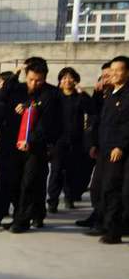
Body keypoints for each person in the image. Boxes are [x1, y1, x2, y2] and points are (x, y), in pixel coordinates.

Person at [0, 57, 60, 233]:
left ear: (45, 78)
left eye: (39, 80)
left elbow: (46, 123)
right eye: (31, 79)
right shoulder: (18, 89)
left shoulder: (50, 94)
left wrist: (31, 139)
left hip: (36, 147)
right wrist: (14, 75)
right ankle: (25, 215)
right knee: (15, 182)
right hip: (15, 145)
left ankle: (23, 221)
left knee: (30, 183)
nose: (34, 83)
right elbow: (3, 96)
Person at [47, 67, 93, 212]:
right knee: (56, 171)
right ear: (60, 80)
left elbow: (91, 109)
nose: (67, 80)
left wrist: (82, 92)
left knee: (72, 171)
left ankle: (69, 197)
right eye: (64, 78)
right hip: (58, 141)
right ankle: (52, 201)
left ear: (75, 80)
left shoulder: (80, 97)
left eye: (70, 77)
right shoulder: (55, 96)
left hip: (76, 140)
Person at [94, 56, 129, 244]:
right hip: (105, 150)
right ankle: (107, 224)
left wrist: (120, 145)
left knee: (113, 189)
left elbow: (126, 124)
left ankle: (114, 230)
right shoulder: (111, 93)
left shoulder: (127, 95)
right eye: (112, 70)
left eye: (119, 70)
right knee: (102, 188)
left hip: (119, 151)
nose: (114, 74)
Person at [78, 63, 114, 231]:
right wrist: (93, 144)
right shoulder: (104, 95)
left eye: (109, 75)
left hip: (117, 149)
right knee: (96, 186)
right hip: (102, 146)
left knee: (108, 187)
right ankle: (98, 215)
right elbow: (94, 117)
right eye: (104, 76)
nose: (105, 79)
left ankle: (105, 221)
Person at [0, 71, 19, 227]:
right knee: (5, 179)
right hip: (6, 144)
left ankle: (14, 214)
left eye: (5, 83)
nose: (3, 86)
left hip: (19, 145)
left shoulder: (20, 96)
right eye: (1, 83)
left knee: (12, 180)